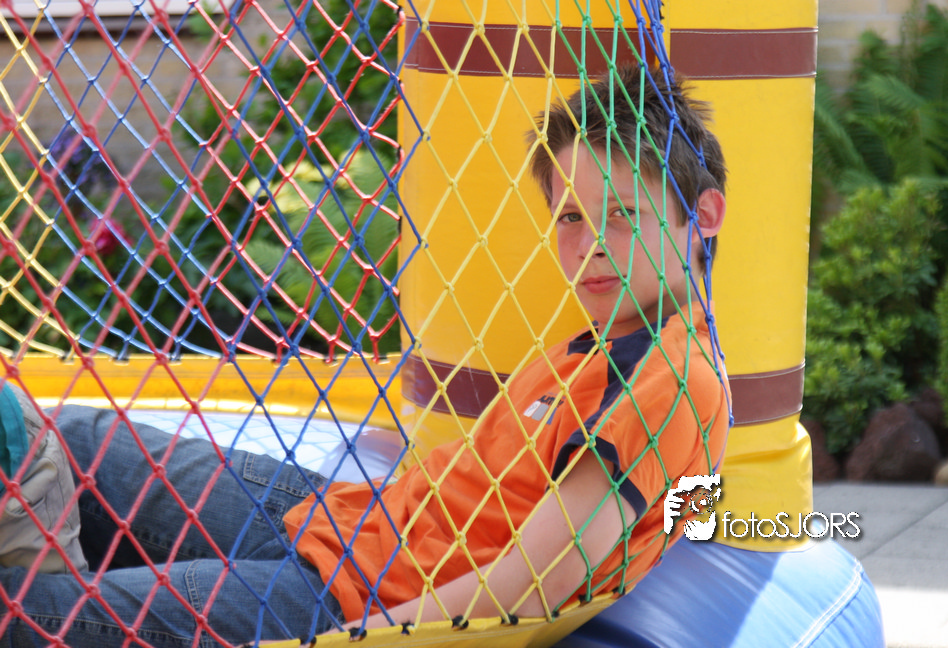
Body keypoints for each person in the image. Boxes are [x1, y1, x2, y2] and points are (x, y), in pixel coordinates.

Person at [0, 64, 730, 647]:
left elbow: (532, 585)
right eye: (571, 216)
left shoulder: (673, 380)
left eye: (621, 214)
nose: (591, 243)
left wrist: (358, 638)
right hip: (353, 517)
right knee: (68, 438)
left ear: (701, 216)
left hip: (358, 599)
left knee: (31, 614)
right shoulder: (604, 344)